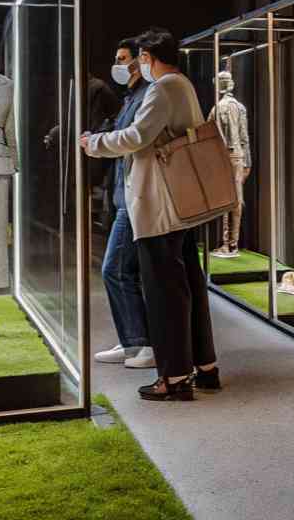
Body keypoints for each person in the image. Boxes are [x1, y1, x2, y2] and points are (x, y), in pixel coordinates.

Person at [80, 27, 220, 401]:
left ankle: (173, 379)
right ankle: (204, 368)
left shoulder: (162, 88)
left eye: (140, 58)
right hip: (180, 205)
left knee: (164, 295)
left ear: (149, 58)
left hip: (159, 205)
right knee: (188, 286)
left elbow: (137, 136)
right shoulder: (183, 84)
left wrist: (94, 143)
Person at [93, 37, 155, 369]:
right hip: (122, 195)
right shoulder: (131, 96)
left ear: (138, 61)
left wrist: (97, 143)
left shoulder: (148, 96)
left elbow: (131, 140)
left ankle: (141, 343)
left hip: (134, 198)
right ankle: (132, 341)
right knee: (122, 270)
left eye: (123, 58)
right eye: (116, 58)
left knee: (115, 270)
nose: (118, 64)